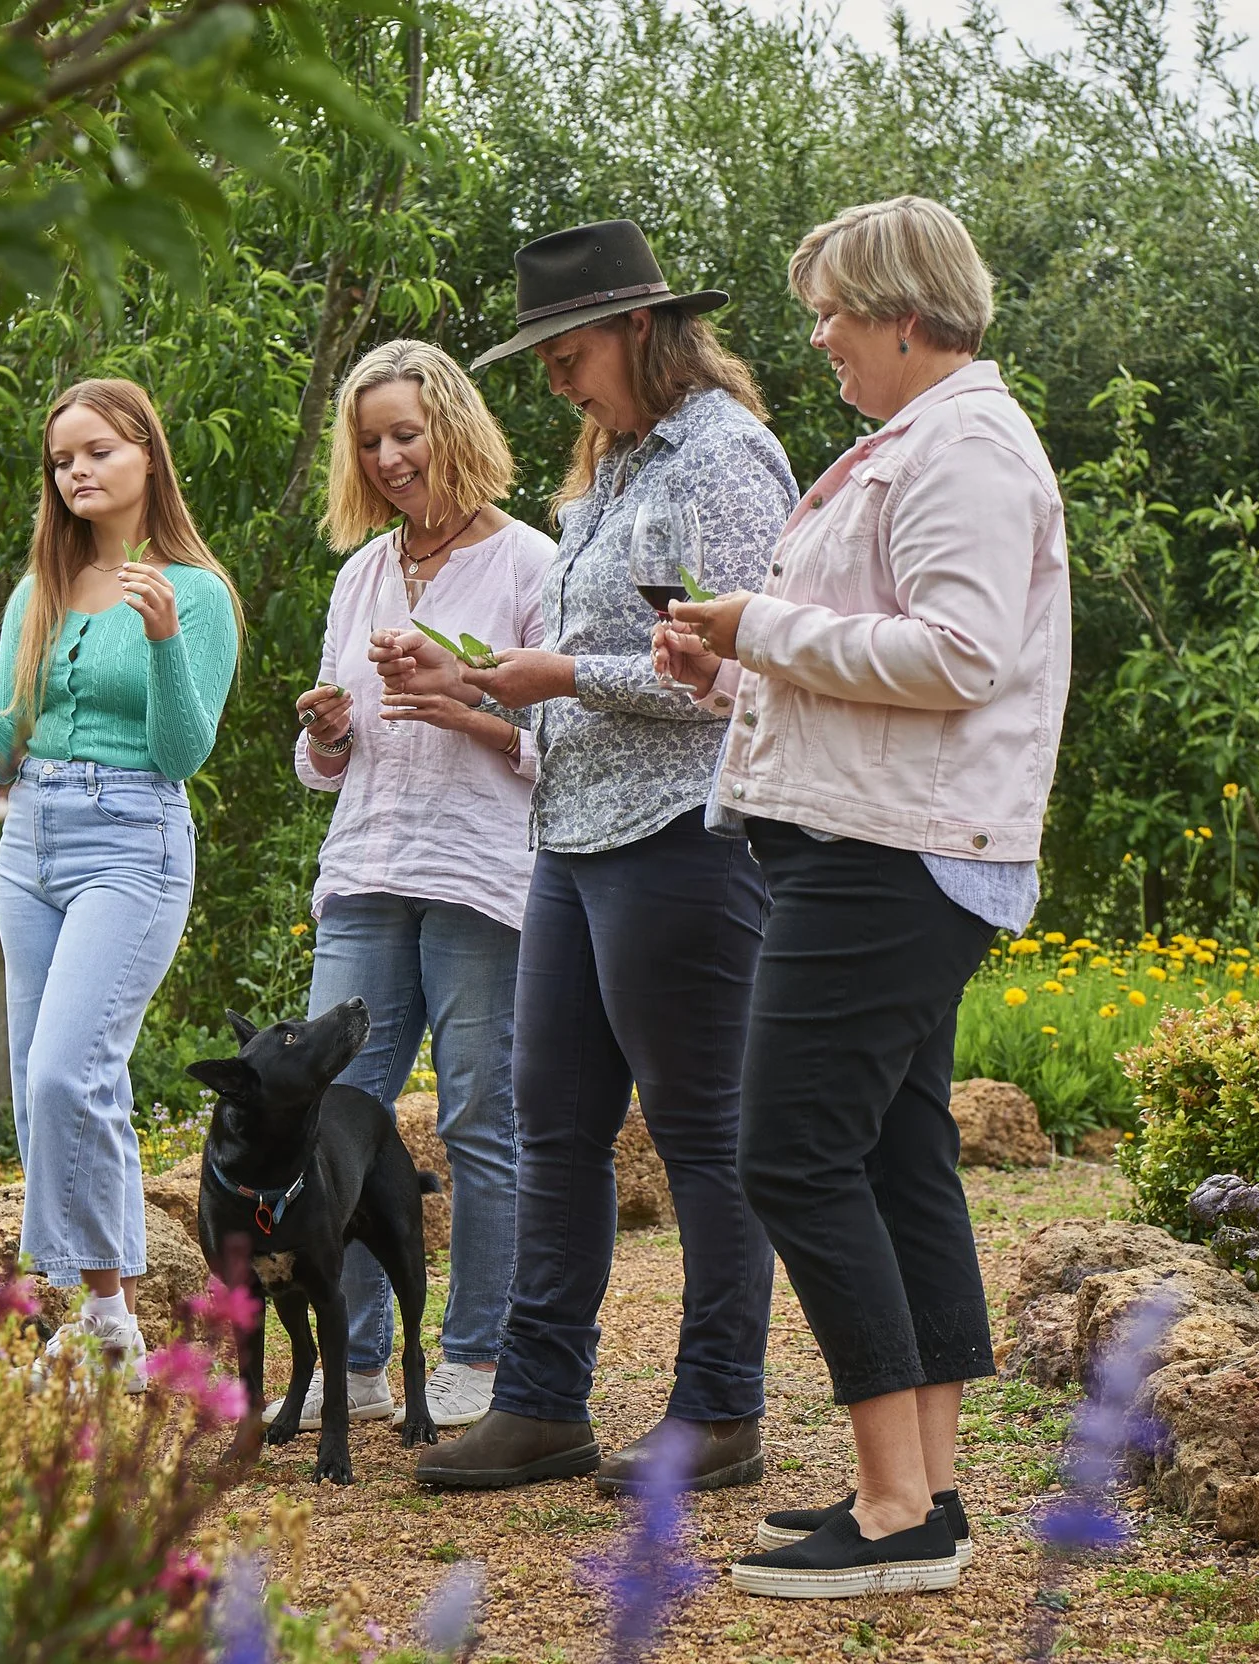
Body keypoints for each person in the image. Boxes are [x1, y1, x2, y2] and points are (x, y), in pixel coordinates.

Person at [657, 196, 1070, 1596]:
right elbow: (880, 662)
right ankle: (926, 1497)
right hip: (871, 836)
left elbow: (960, 656)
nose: (817, 333)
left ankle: (895, 1512)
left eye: (833, 308)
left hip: (891, 856)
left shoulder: (964, 446)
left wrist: (758, 624)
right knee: (896, 1160)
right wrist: (726, 669)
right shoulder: (922, 440)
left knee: (789, 1153)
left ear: (905, 312)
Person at [391, 220, 795, 1494]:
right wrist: (485, 688)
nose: (554, 378)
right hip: (567, 831)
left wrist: (561, 670)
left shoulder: (725, 457)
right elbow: (587, 679)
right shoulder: (610, 471)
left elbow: (735, 674)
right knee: (551, 1120)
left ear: (635, 327)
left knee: (699, 1132)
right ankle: (541, 1400)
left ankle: (719, 1408)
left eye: (565, 351)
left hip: (684, 831)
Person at [0, 377, 242, 1385]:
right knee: (35, 1084)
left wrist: (160, 644)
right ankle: (101, 1319)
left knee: (72, 1068)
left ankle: (107, 1317)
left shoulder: (193, 593)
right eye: (63, 460)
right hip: (33, 838)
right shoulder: (35, 589)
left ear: (148, 454)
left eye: (98, 450)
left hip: (132, 835)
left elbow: (182, 751)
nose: (78, 472)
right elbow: (1, 755)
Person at [287, 339, 555, 1432]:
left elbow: (569, 740)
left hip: (480, 875)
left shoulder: (532, 562)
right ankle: (347, 1361)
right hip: (364, 871)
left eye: (407, 432)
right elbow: (321, 771)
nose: (391, 457)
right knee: (329, 1116)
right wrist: (329, 730)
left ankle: (476, 1356)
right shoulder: (361, 573)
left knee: (479, 1116)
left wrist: (472, 715)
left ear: (453, 425)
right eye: (370, 440)